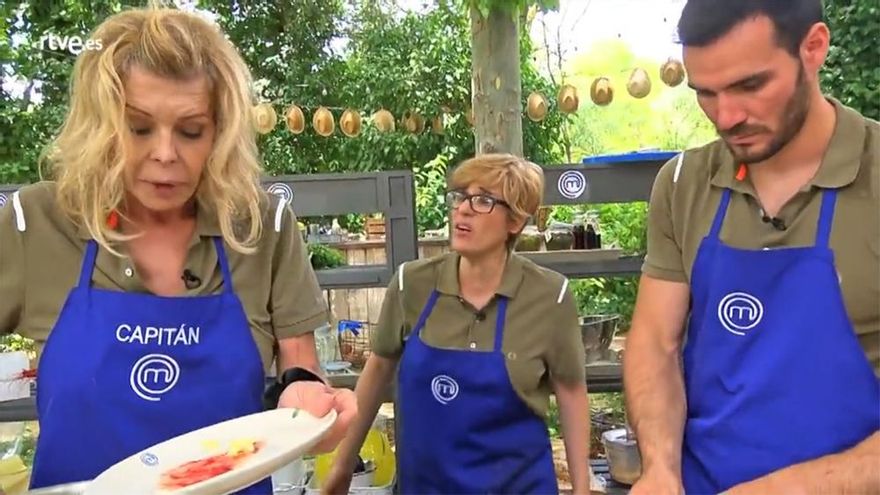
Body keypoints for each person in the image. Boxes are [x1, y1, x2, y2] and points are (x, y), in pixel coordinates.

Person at [0, 5, 356, 492]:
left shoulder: (261, 226)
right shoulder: (37, 221)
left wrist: (313, 409)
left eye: (191, 131)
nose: (165, 153)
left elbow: (301, 375)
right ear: (102, 124)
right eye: (139, 127)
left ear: (220, 131)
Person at [623, 1, 879, 494]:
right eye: (706, 94)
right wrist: (659, 468)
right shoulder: (683, 184)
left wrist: (793, 488)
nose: (727, 116)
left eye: (750, 85)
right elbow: (656, 342)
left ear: (814, 47)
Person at [322, 154, 591, 494]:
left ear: (515, 221)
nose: (463, 209)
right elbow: (376, 373)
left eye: (483, 200)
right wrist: (342, 466)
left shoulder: (550, 297)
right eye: (461, 196)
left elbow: (571, 391)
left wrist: (582, 488)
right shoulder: (411, 285)